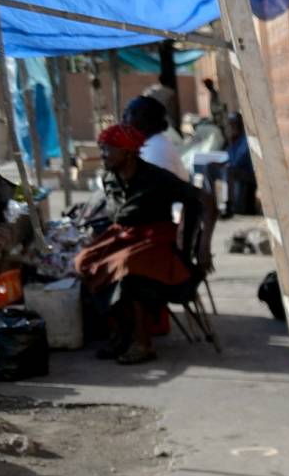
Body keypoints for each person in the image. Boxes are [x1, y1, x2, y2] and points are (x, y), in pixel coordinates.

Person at [73, 123, 213, 365]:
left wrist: (202, 247)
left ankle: (143, 343)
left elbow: (206, 200)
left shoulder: (157, 178)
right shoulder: (109, 178)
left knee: (129, 267)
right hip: (124, 236)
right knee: (84, 262)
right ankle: (120, 331)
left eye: (108, 150)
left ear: (127, 153)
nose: (103, 155)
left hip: (155, 238)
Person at [123, 94, 184, 179]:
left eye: (129, 113)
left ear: (144, 119)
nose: (124, 119)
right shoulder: (151, 144)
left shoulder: (157, 148)